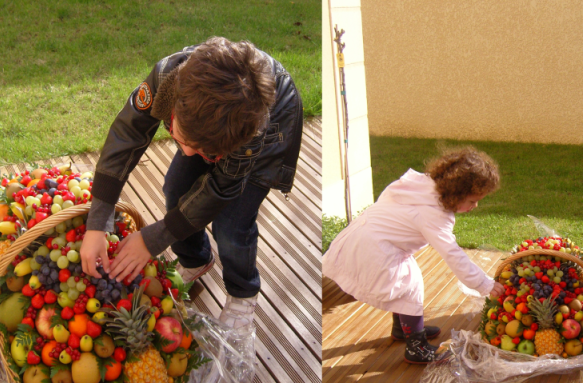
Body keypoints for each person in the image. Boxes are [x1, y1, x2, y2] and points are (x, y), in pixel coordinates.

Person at [80, 37, 303, 329]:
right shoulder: (166, 78)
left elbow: (221, 190)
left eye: (199, 150)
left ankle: (243, 292)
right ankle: (196, 259)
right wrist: (97, 221)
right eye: (181, 138)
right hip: (216, 127)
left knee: (233, 224)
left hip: (273, 130)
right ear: (177, 105)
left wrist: (154, 239)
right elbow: (127, 134)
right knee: (176, 186)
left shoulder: (251, 132)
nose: (185, 152)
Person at [322, 147, 505, 364]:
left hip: (363, 236)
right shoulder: (433, 214)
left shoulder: (419, 184)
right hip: (375, 249)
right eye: (472, 200)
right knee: (409, 287)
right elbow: (452, 254)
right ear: (455, 193)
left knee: (408, 285)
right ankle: (415, 346)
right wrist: (484, 284)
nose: (476, 206)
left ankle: (404, 328)